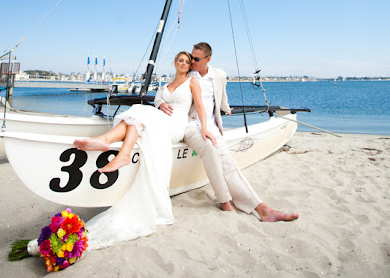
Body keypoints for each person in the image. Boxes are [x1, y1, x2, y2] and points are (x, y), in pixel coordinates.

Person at [74, 51, 215, 249]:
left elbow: (200, 106)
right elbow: (157, 101)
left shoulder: (192, 82)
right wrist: (162, 102)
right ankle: (118, 150)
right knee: (139, 115)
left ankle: (108, 142)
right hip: (161, 119)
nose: (184, 63)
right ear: (175, 63)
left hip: (176, 124)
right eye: (180, 60)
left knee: (139, 112)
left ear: (190, 66)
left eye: (187, 61)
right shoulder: (163, 86)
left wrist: (205, 128)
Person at [158, 42, 298, 222]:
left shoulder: (219, 75)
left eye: (196, 58)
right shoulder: (187, 75)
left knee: (229, 165)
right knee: (209, 149)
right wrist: (160, 104)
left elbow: (221, 94)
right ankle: (225, 200)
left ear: (208, 59)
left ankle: (262, 208)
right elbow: (166, 92)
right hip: (191, 126)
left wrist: (226, 108)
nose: (192, 61)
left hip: (213, 127)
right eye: (191, 57)